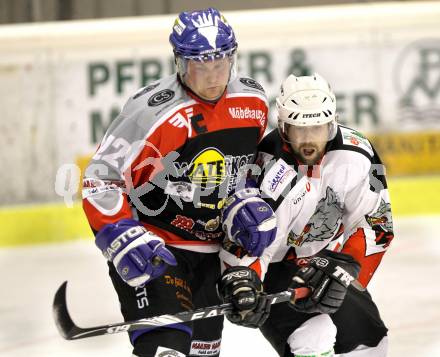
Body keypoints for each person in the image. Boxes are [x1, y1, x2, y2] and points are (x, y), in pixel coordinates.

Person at [81, 8, 277, 357]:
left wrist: (248, 200)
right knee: (166, 350)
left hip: (210, 256)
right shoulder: (152, 114)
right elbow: (101, 179)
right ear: (180, 62)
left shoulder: (253, 102)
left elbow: (250, 167)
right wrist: (117, 233)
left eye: (221, 63)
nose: (213, 77)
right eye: (201, 66)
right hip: (156, 249)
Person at [218, 73, 394, 356]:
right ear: (284, 126)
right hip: (275, 267)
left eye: (319, 128)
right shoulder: (265, 168)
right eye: (300, 129)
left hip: (324, 259)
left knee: (370, 343)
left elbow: (376, 223)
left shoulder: (360, 154)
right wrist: (245, 282)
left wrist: (346, 268)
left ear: (332, 123)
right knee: (313, 337)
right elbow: (250, 239)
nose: (309, 140)